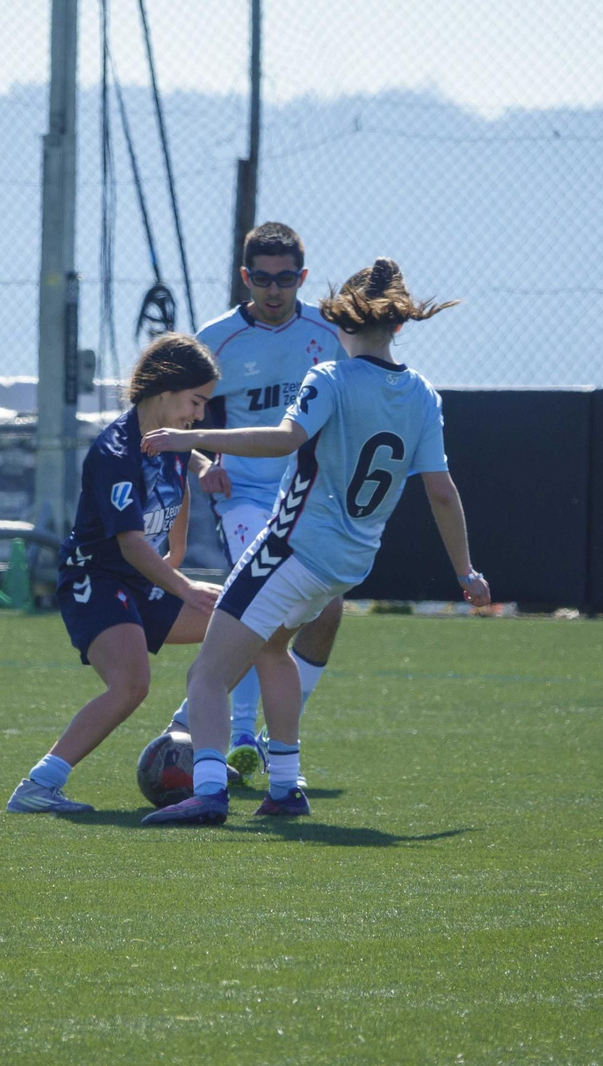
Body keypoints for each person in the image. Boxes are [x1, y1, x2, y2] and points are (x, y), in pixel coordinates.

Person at [139, 258, 492, 825]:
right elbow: (443, 493)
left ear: (341, 322)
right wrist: (466, 572)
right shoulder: (423, 394)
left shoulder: (329, 377)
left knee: (206, 674)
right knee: (275, 652)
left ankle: (207, 792)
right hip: (347, 563)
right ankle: (284, 787)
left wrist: (191, 436)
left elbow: (284, 440)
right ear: (398, 325)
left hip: (292, 549)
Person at [5, 334, 225, 813]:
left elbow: (180, 480)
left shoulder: (170, 439)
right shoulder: (116, 451)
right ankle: (38, 787)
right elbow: (128, 543)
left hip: (138, 578)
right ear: (166, 391)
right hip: (95, 580)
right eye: (196, 401)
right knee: (131, 684)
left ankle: (197, 736)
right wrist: (184, 587)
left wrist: (178, 551)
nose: (199, 416)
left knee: (240, 628)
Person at [165, 222, 352, 784]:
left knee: (329, 611)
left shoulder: (329, 332)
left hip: (309, 496)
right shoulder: (217, 338)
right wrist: (202, 464)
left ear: (303, 277)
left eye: (287, 278)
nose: (275, 290)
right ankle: (240, 735)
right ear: (246, 277)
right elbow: (177, 415)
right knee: (260, 609)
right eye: (264, 279)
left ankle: (265, 731)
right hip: (243, 494)